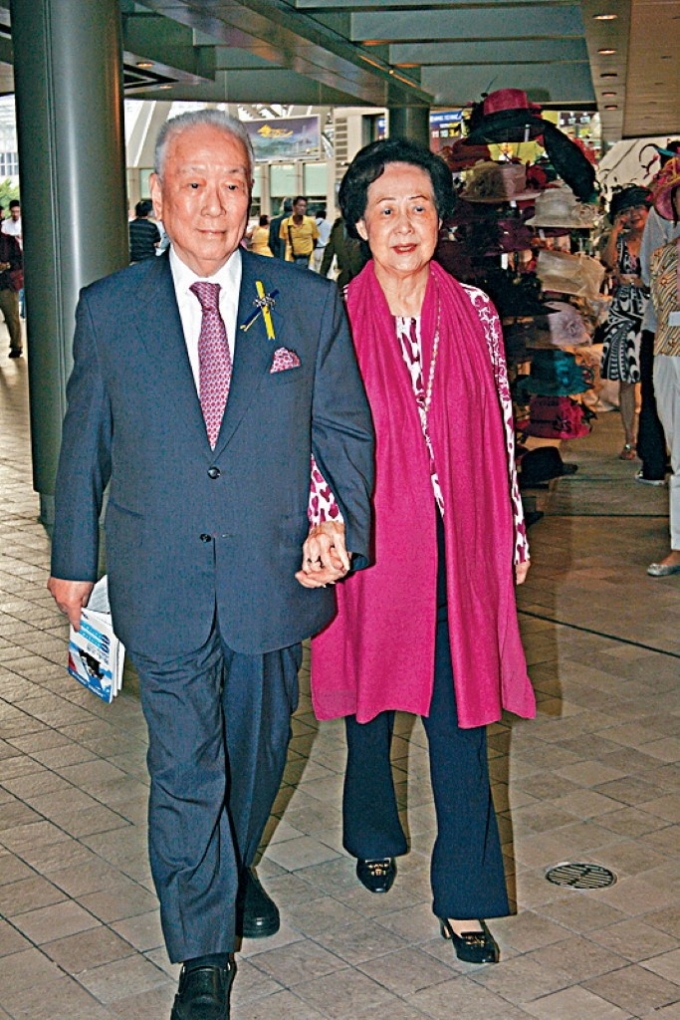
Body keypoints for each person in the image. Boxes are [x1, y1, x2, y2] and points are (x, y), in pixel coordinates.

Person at [47, 109, 374, 1020]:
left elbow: (344, 429)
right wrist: (72, 557)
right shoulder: (110, 309)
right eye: (194, 184)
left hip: (274, 577)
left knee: (259, 753)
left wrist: (341, 525)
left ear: (252, 198)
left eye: (232, 184)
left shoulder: (303, 303)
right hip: (161, 576)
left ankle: (232, 869)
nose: (214, 204)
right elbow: (85, 443)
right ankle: (200, 952)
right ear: (160, 195)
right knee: (185, 764)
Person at [307, 138, 536, 965]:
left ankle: (465, 897)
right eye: (386, 209)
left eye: (420, 207)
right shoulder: (328, 313)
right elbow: (316, 440)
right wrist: (325, 526)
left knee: (460, 712)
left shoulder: (473, 309)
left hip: (462, 540)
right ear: (361, 226)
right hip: (371, 542)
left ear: (441, 218)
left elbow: (499, 424)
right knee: (372, 705)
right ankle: (372, 828)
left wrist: (509, 525)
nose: (405, 224)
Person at [636, 142, 680, 485]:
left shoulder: (658, 218)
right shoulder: (659, 217)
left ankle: (656, 465)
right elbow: (650, 273)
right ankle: (655, 464)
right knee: (657, 398)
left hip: (660, 324)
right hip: (661, 325)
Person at [646, 157, 680, 576]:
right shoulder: (662, 257)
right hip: (668, 354)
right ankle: (678, 543)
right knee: (678, 454)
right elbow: (657, 312)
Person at [600, 185, 651, 460]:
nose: (632, 215)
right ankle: (629, 440)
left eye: (637, 209)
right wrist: (615, 232)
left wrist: (644, 283)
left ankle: (654, 440)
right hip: (622, 314)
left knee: (655, 379)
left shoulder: (659, 238)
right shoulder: (619, 241)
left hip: (652, 312)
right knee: (626, 380)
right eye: (625, 211)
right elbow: (607, 264)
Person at [319, 214, 369, 288]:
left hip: (363, 278)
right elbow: (329, 253)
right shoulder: (338, 227)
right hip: (344, 279)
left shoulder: (365, 224)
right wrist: (322, 277)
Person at [0, 227, 23, 358]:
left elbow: (19, 261)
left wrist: (7, 265)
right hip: (6, 283)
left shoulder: (8, 241)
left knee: (11, 317)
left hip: (6, 284)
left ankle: (16, 345)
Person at [280, 195, 319, 266]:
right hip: (292, 259)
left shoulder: (311, 222)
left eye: (304, 206)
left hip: (308, 259)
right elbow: (283, 242)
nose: (302, 208)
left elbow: (315, 240)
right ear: (294, 207)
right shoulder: (285, 223)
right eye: (300, 205)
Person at [311, 207, 331, 272]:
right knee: (325, 269)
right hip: (325, 249)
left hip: (315, 249)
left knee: (315, 269)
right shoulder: (329, 224)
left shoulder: (312, 224)